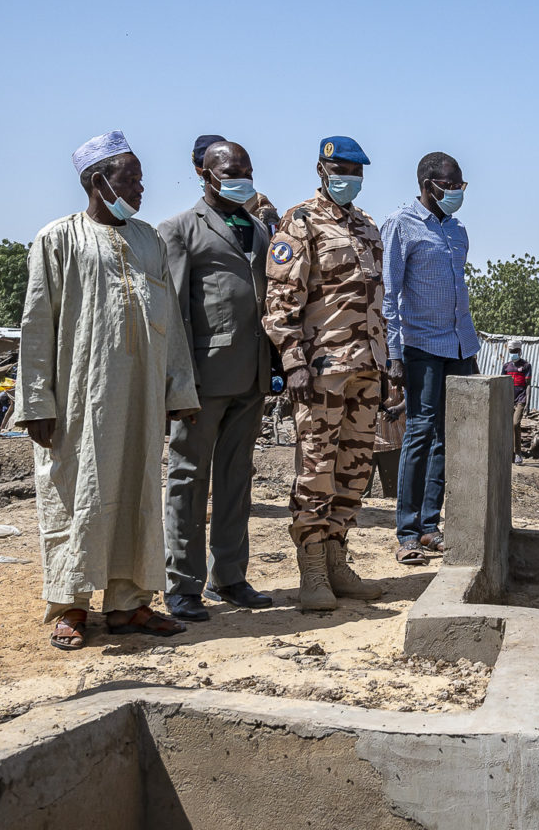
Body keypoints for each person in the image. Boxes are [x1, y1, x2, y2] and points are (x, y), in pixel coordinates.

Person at [16, 131, 201, 651]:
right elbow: (36, 324)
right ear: (99, 181)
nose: (142, 187)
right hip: (79, 395)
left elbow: (172, 322)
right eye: (131, 178)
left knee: (137, 491)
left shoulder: (149, 240)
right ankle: (70, 603)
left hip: (141, 395)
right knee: (75, 494)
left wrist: (179, 390)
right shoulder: (57, 239)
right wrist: (35, 401)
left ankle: (129, 604)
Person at [265, 137, 392, 609]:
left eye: (357, 170)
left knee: (355, 468)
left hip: (366, 368)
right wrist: (294, 362)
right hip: (322, 370)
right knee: (316, 469)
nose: (349, 177)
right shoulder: (300, 222)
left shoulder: (367, 226)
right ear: (321, 168)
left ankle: (338, 561)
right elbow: (281, 302)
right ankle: (313, 571)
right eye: (340, 168)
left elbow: (378, 303)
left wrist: (386, 365)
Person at [158, 139, 276, 621]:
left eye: (245, 169)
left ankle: (229, 575)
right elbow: (175, 313)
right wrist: (177, 383)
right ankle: (182, 585)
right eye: (229, 171)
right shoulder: (180, 230)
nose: (240, 178)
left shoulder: (260, 228)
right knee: (188, 479)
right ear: (205, 175)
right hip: (203, 381)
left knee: (236, 479)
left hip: (252, 375)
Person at [381, 152, 477, 564]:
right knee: (419, 432)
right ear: (428, 184)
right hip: (420, 345)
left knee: (447, 436)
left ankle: (428, 525)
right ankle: (405, 531)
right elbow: (388, 295)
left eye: (461, 185)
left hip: (460, 346)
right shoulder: (401, 226)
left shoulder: (458, 232)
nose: (456, 192)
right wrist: (394, 354)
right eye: (450, 185)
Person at [501, 343, 532, 464]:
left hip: (521, 398)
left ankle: (518, 453)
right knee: (508, 426)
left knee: (515, 423)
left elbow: (528, 385)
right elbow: (502, 383)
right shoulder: (506, 366)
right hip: (508, 399)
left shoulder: (526, 366)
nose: (513, 353)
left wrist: (528, 403)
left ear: (520, 351)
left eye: (515, 351)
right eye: (511, 351)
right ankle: (510, 454)